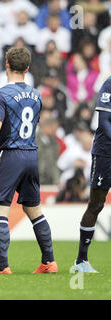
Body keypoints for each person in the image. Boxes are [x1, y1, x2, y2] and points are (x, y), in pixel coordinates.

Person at [0, 47, 58, 274]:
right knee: (35, 211)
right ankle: (49, 261)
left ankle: (2, 267)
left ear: (7, 65)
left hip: (9, 156)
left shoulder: (0, 95)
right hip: (31, 153)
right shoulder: (37, 94)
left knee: (0, 211)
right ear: (27, 68)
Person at [73, 76, 111, 273]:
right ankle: (81, 260)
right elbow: (104, 122)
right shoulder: (109, 84)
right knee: (96, 204)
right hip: (105, 153)